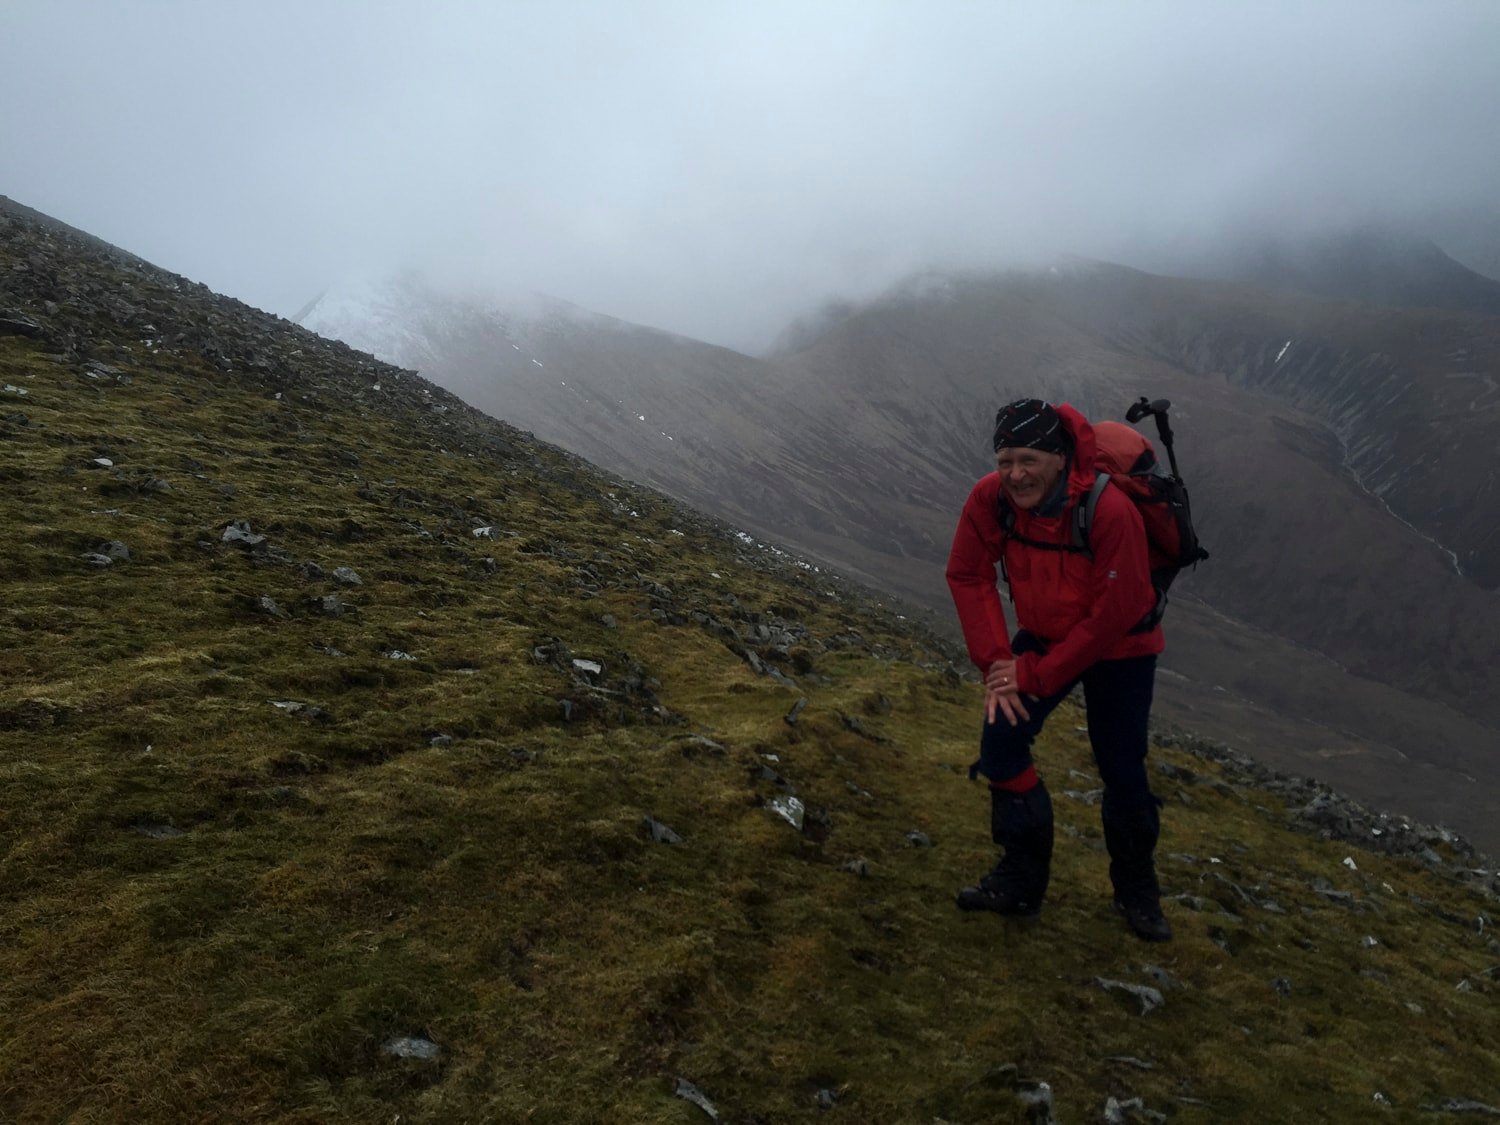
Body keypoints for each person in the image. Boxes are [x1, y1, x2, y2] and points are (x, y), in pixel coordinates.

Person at [945, 398, 1172, 941]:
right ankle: (1020, 882)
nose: (1015, 474)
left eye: (1029, 459)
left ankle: (1137, 891)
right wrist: (999, 663)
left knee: (1121, 768)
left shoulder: (1108, 510)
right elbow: (968, 574)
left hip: (1122, 649)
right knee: (1001, 744)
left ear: (1060, 457)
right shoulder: (990, 499)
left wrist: (1034, 675)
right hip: (1045, 636)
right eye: (1005, 461)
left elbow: (1114, 613)